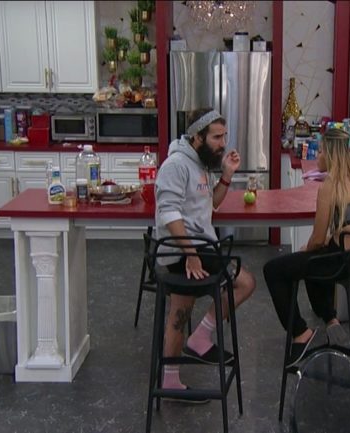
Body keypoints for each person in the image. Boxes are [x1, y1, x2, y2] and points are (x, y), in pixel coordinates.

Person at [154, 108, 257, 401]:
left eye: (224, 136)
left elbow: (211, 204)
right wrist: (191, 254)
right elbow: (169, 213)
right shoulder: (176, 165)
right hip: (180, 251)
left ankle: (197, 340)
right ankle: (176, 372)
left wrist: (226, 175)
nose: (223, 143)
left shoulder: (200, 162)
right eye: (216, 137)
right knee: (183, 308)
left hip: (200, 247)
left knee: (241, 284)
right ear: (197, 137)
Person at [263, 126, 350, 368]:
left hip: (344, 266)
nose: (316, 157)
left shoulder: (330, 187)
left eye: (320, 151)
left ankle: (300, 333)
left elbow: (317, 239)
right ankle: (331, 320)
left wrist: (304, 251)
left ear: (332, 156)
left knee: (274, 270)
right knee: (315, 259)